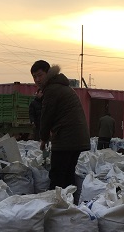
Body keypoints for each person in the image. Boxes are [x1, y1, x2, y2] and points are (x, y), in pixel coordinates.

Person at [31, 60, 90, 194]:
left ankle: (56, 203)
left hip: (66, 137)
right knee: (68, 174)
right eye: (34, 77)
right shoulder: (61, 86)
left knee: (57, 175)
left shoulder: (52, 89)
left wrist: (43, 138)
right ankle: (69, 202)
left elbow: (46, 116)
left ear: (48, 73)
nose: (37, 79)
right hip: (76, 137)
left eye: (40, 75)